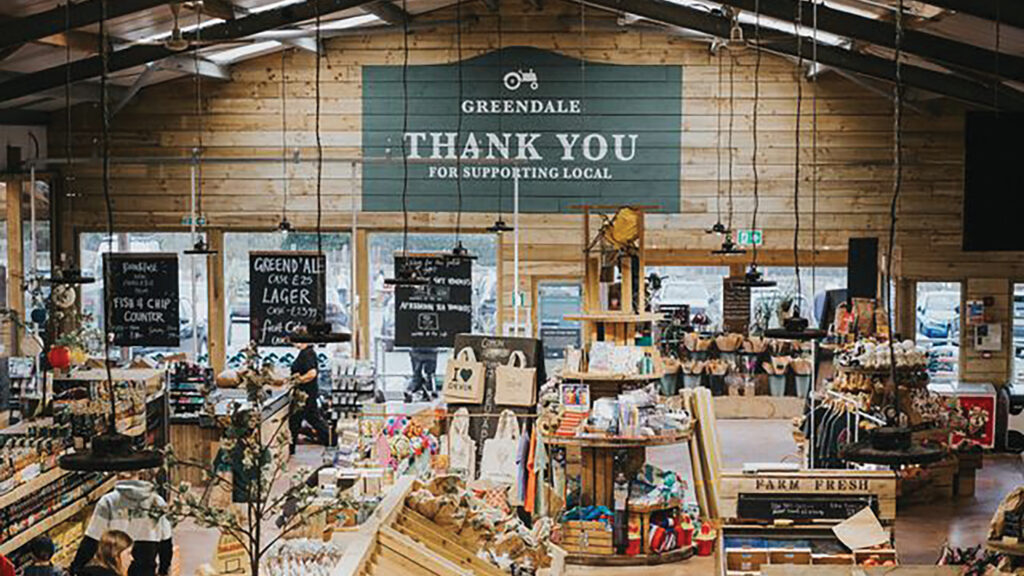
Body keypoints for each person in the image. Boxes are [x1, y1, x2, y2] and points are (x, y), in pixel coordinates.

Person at [288, 340, 331, 453]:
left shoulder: (307, 354)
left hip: (305, 394)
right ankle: (331, 440)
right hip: (306, 393)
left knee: (296, 421)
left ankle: (331, 440)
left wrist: (298, 380)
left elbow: (312, 373)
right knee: (310, 419)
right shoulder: (306, 353)